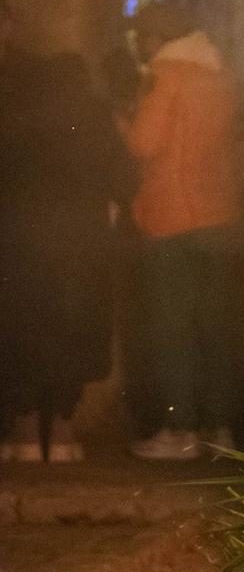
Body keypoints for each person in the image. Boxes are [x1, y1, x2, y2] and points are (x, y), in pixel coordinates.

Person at [0, 47, 133, 462]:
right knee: (71, 332)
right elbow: (124, 178)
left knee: (21, 331)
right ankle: (60, 429)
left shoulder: (13, 113)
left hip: (19, 244)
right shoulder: (92, 115)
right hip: (80, 245)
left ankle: (22, 429)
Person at [125, 0, 240, 461]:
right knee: (215, 325)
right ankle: (221, 429)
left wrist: (120, 120)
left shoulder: (165, 75)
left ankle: (180, 431)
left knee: (173, 328)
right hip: (221, 215)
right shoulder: (219, 74)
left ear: (154, 37)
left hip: (171, 216)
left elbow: (144, 143)